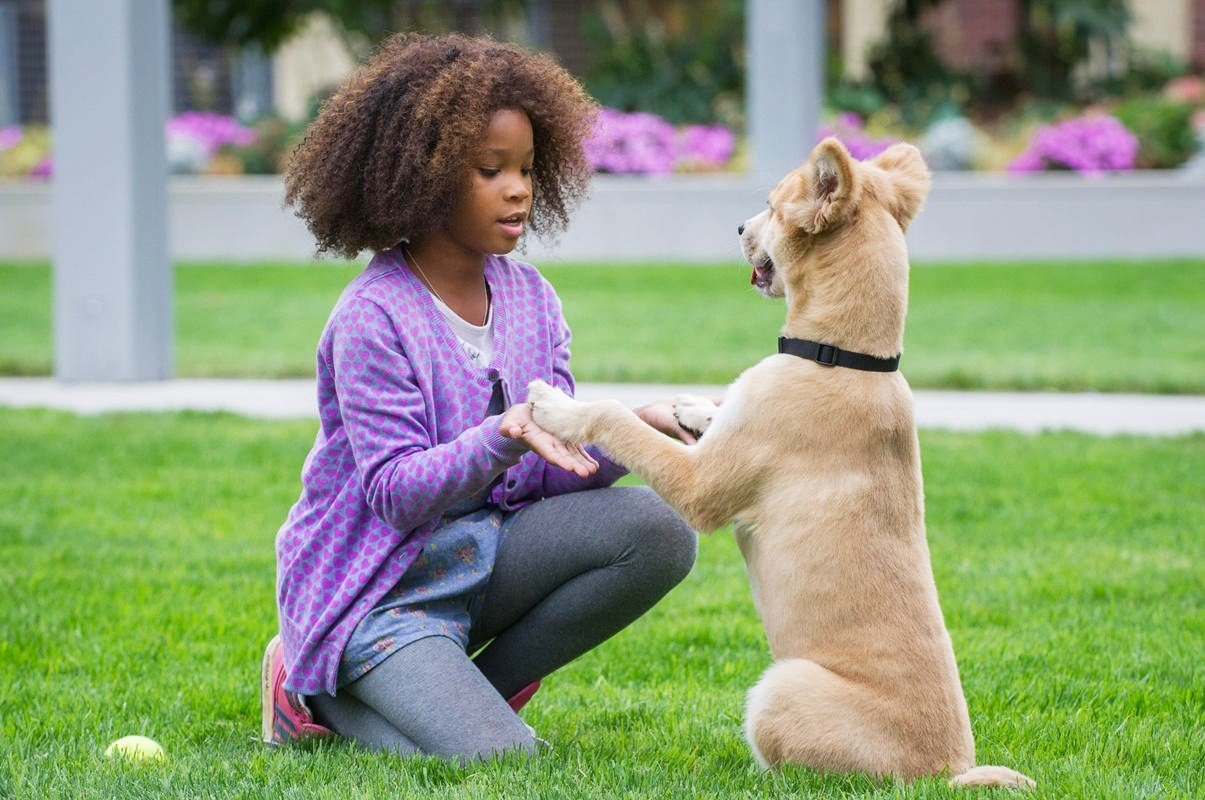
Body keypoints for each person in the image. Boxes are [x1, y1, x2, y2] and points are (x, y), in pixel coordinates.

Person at [260, 32, 698, 761]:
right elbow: (397, 494)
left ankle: (461, 697)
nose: (519, 188)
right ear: (421, 177)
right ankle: (310, 690)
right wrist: (501, 433)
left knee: (659, 529)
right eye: (489, 170)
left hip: (481, 559)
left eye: (526, 168)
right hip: (379, 593)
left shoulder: (532, 299)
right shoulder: (372, 318)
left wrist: (633, 430)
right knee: (504, 761)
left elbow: (555, 470)